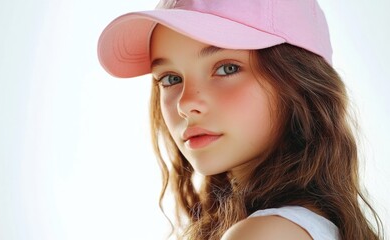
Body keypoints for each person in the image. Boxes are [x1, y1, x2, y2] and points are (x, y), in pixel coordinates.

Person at [97, 0, 383, 239]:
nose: (185, 104)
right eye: (171, 78)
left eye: (226, 69)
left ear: (298, 82)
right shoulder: (308, 226)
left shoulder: (267, 234)